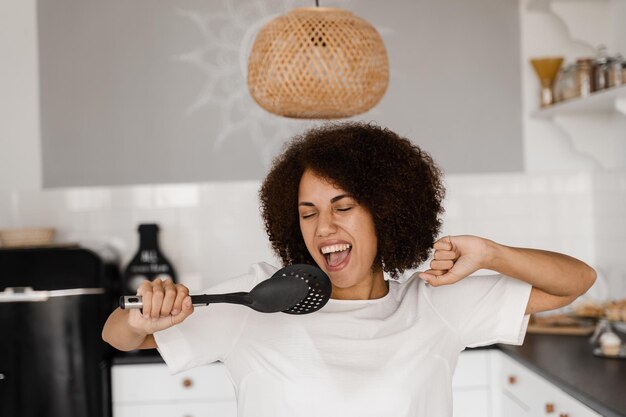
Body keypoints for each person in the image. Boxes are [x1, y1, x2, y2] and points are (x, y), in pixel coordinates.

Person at [102, 122, 596, 417]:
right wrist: (140, 318)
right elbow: (118, 337)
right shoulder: (257, 298)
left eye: (344, 207)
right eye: (309, 211)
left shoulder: (436, 303)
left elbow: (575, 282)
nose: (324, 227)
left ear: (385, 211)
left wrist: (489, 253)